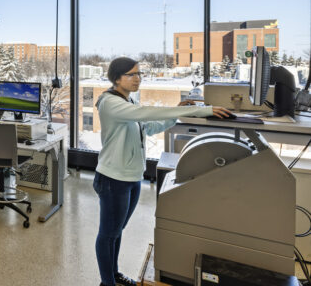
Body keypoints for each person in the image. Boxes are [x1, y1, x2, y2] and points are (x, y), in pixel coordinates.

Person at [93, 57, 231, 286]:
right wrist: (202, 110)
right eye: (131, 74)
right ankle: (107, 283)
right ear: (116, 78)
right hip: (113, 178)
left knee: (117, 230)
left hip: (132, 176)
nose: (138, 79)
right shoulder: (110, 102)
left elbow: (148, 126)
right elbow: (146, 114)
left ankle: (113, 274)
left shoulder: (129, 100)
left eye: (139, 74)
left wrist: (176, 113)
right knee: (108, 234)